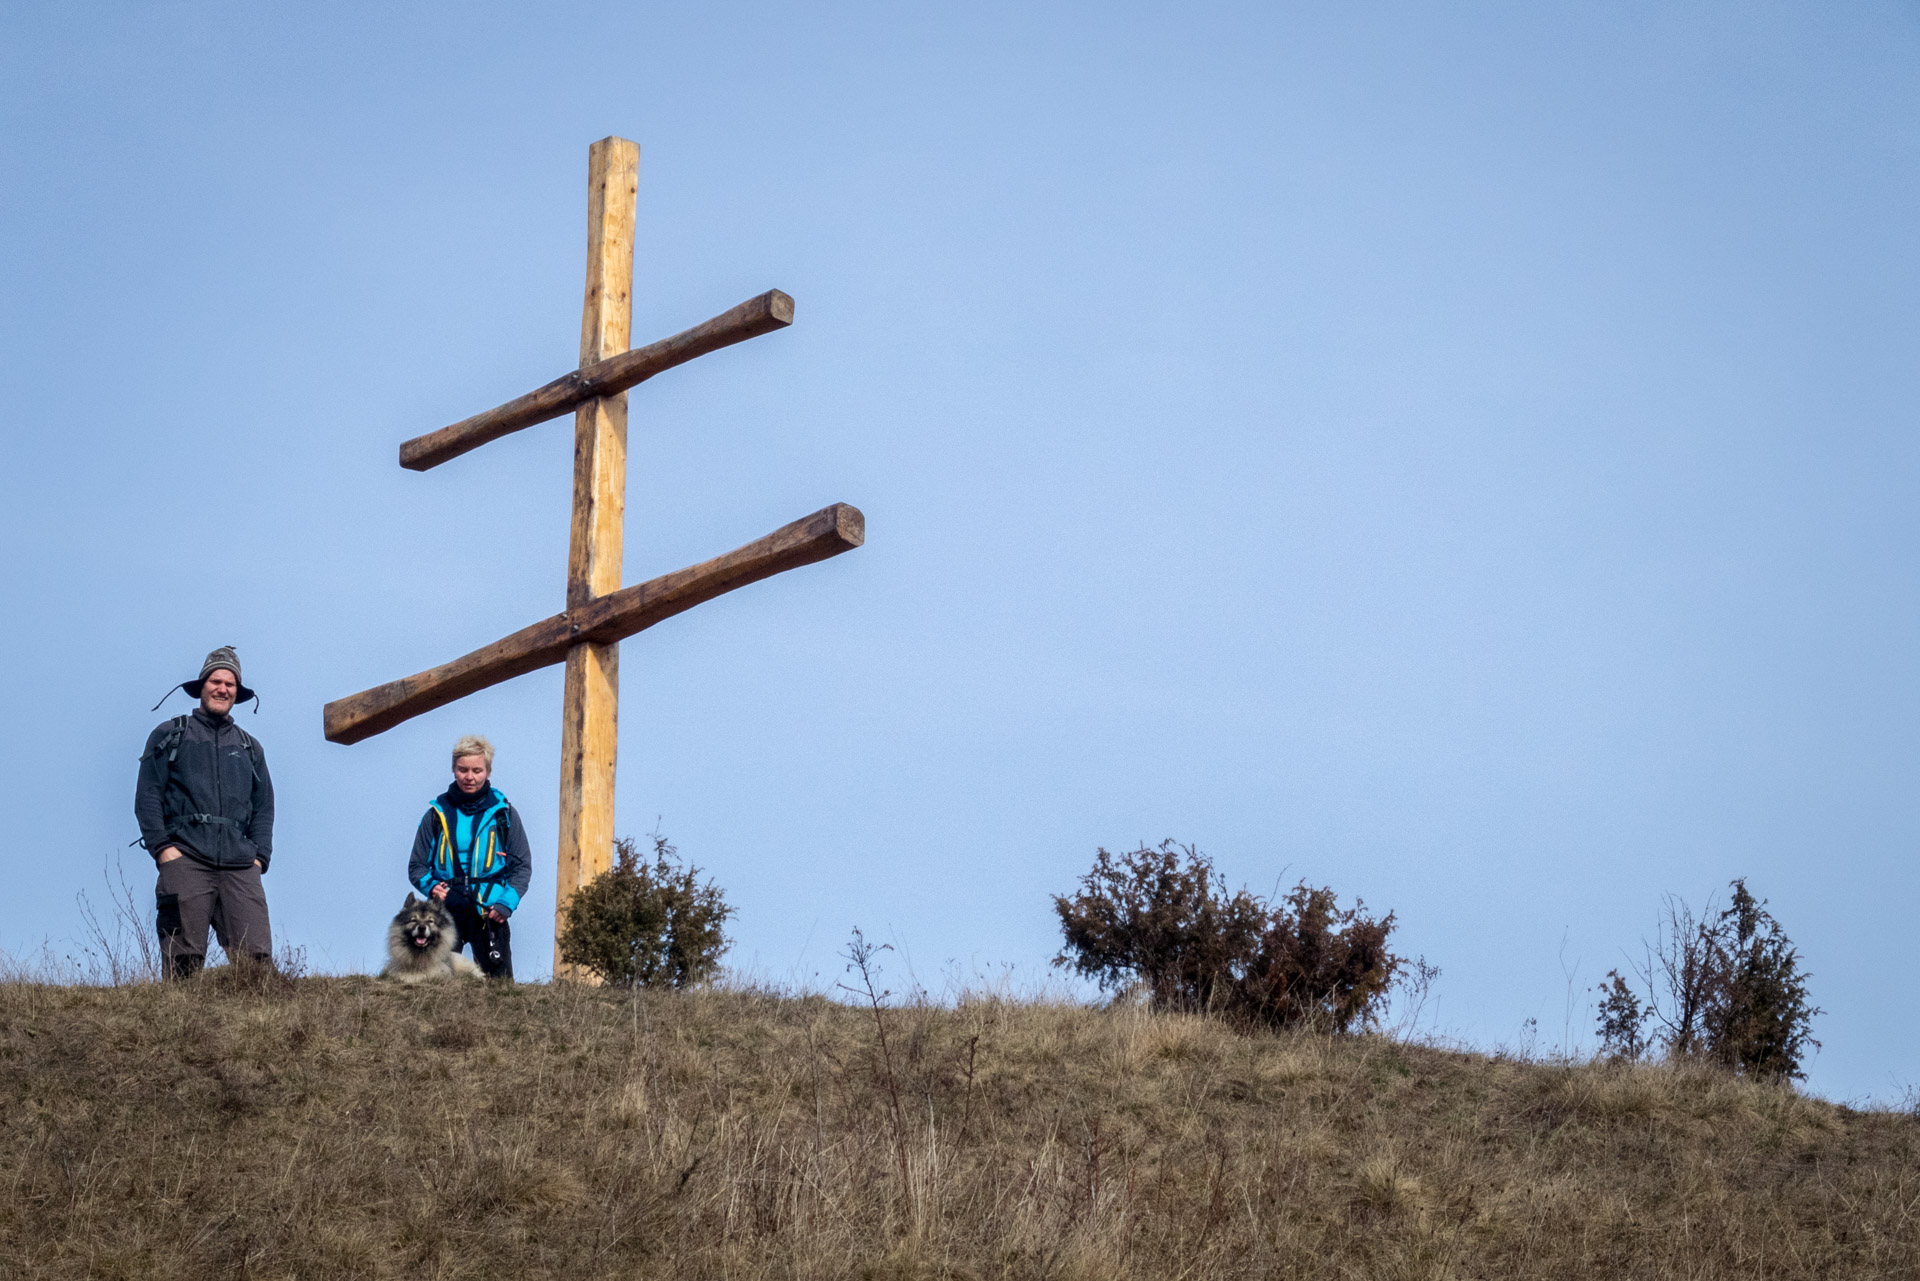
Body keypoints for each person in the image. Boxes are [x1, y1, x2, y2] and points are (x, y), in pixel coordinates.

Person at [134, 646, 276, 978]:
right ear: (202, 686)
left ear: (237, 693)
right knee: (182, 964)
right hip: (185, 860)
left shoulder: (249, 747)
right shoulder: (170, 734)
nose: (222, 689)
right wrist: (163, 850)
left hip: (241, 867)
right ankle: (179, 1029)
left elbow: (265, 807)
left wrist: (259, 858)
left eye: (230, 684)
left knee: (258, 968)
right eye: (216, 681)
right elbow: (148, 796)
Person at [407, 734, 531, 980]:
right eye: (463, 770)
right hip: (445, 911)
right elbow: (416, 866)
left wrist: (506, 904)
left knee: (499, 987)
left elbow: (521, 867)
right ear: (453, 769)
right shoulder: (435, 814)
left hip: (489, 911)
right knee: (436, 981)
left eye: (477, 770)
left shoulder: (504, 814)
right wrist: (433, 887)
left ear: (487, 771)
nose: (469, 777)